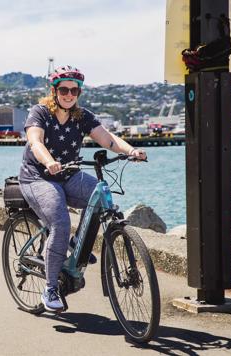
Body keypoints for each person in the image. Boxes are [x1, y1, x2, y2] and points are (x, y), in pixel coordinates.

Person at [18, 66, 147, 312]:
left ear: (79, 93)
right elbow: (35, 141)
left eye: (74, 90)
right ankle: (51, 288)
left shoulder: (81, 116)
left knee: (101, 194)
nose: (69, 94)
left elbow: (107, 139)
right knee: (60, 222)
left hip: (68, 174)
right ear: (55, 91)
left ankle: (78, 242)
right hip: (37, 177)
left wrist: (131, 151)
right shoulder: (40, 112)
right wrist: (48, 161)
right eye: (64, 89)